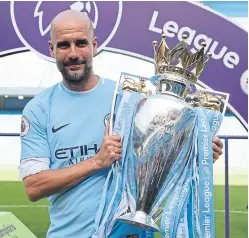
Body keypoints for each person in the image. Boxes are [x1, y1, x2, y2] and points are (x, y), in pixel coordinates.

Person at [18, 10, 223, 238]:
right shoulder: (38, 109)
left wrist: (196, 152)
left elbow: (158, 159)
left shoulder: (129, 99)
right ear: (51, 49)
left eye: (81, 43)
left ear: (94, 45)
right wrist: (97, 162)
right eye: (64, 45)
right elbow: (34, 187)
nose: (73, 53)